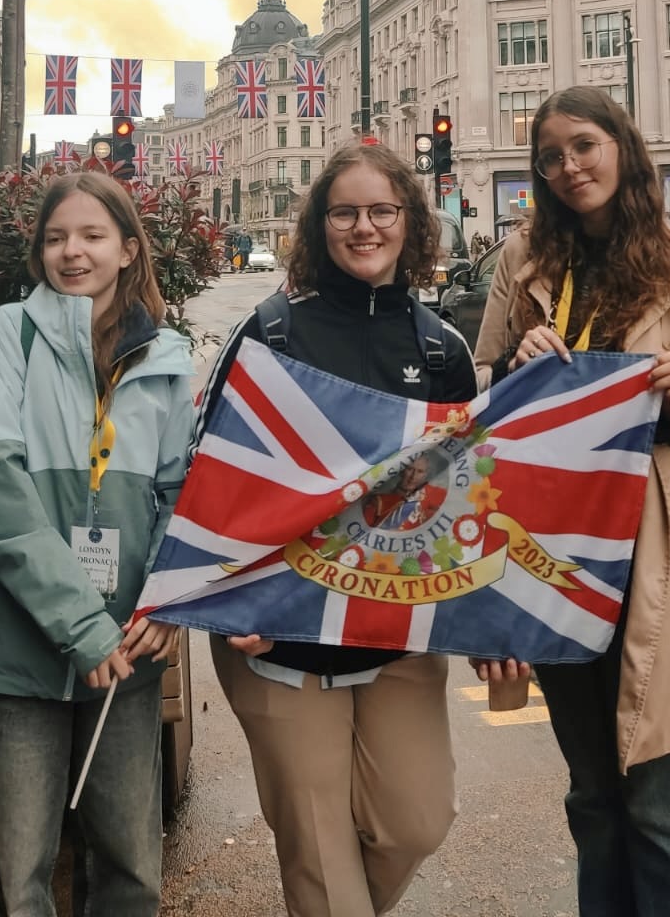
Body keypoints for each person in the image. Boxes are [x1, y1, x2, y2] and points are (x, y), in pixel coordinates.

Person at [472, 87, 670, 917]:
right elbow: (479, 408)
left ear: (624, 149)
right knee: (594, 796)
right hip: (552, 555)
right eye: (551, 156)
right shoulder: (523, 264)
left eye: (584, 146)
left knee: (663, 802)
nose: (568, 167)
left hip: (656, 553)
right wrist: (513, 373)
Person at [201, 141, 478, 917]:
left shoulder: (441, 348)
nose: (365, 227)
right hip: (280, 639)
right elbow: (210, 483)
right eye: (346, 211)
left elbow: (465, 503)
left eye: (382, 210)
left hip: (394, 634)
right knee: (322, 861)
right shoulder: (271, 333)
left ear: (409, 221)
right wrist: (235, 607)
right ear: (321, 225)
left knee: (415, 823)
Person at [0, 172, 195, 917]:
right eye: (56, 238)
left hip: (129, 648)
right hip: (22, 644)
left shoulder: (170, 356)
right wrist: (82, 629)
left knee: (131, 870)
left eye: (92, 236)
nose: (72, 252)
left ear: (128, 249)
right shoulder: (9, 333)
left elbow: (180, 498)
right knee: (22, 871)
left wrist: (166, 599)